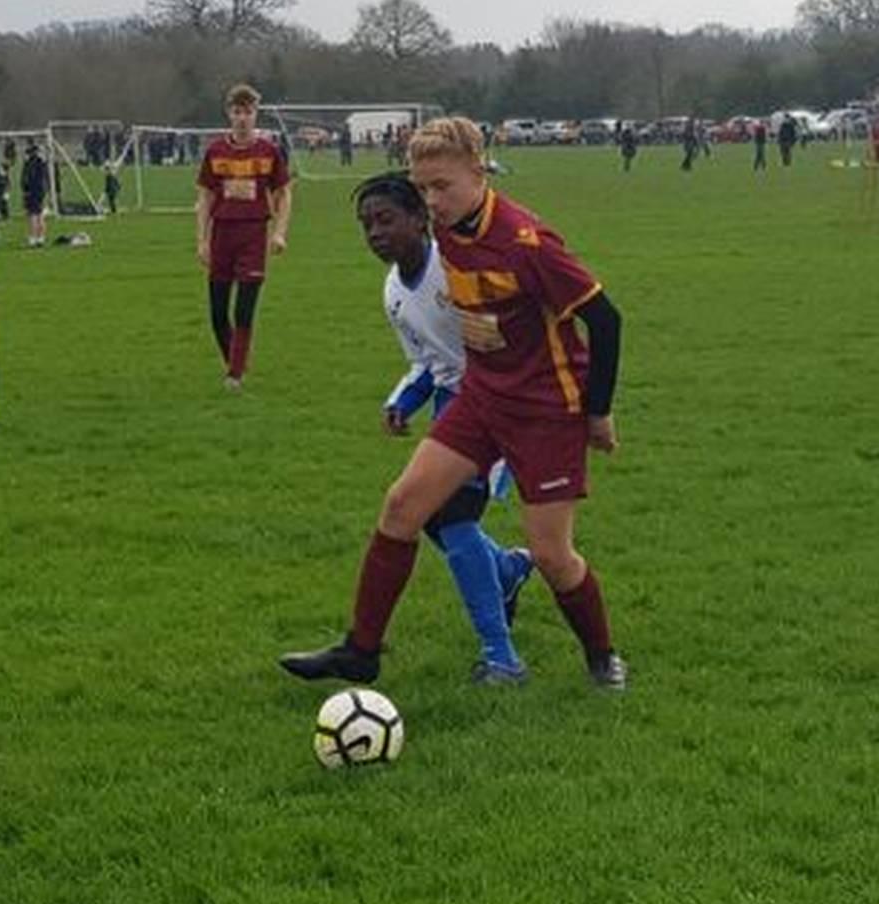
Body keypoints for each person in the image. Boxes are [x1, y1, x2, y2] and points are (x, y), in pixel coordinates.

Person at [279, 117, 629, 690]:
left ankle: (602, 656)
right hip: (482, 399)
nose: (432, 201)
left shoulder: (527, 242)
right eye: (423, 189)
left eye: (442, 186)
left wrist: (597, 412)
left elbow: (604, 320)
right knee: (402, 508)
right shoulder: (444, 234)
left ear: (478, 171)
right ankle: (361, 651)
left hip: (544, 410)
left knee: (551, 554)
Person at [351, 171, 537, 683]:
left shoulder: (457, 265)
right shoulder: (392, 290)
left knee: (451, 520)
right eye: (366, 225)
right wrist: (402, 402)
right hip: (454, 406)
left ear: (420, 218)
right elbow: (428, 362)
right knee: (431, 519)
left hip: (496, 401)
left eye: (386, 219)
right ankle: (506, 570)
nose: (375, 233)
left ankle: (502, 658)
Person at [196, 82, 293, 391]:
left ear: (256, 115)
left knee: (244, 309)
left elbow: (283, 193)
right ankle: (235, 360)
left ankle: (235, 375)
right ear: (229, 114)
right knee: (217, 312)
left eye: (248, 112)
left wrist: (279, 232)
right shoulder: (215, 151)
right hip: (222, 234)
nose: (242, 118)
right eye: (237, 112)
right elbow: (205, 196)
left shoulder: (269, 151)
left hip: (253, 233)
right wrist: (202, 239)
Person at [20, 143, 50, 247]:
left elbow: (25, 179)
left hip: (32, 191)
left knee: (32, 215)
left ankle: (33, 237)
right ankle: (41, 237)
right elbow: (46, 178)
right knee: (40, 215)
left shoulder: (29, 164)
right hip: (40, 191)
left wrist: (25, 190)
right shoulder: (42, 163)